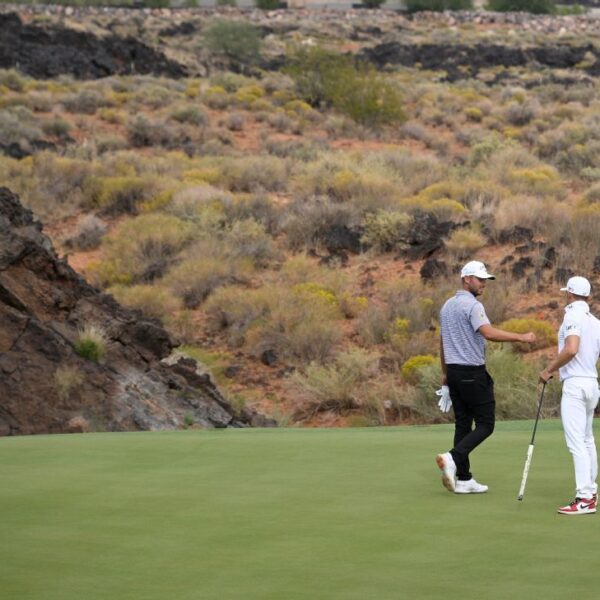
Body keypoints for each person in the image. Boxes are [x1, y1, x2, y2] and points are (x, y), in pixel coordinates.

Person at [436, 260, 536, 494]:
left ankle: (464, 478)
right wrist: (521, 337)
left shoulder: (447, 306)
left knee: (463, 424)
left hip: (454, 372)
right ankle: (452, 457)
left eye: (485, 280)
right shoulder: (472, 306)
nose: (484, 284)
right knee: (486, 424)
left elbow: (442, 342)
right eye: (480, 279)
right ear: (466, 279)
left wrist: (444, 373)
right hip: (472, 372)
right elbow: (488, 333)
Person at [539, 276, 600, 515]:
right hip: (592, 383)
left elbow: (571, 348)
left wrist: (548, 369)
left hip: (575, 385)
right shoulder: (595, 321)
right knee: (587, 439)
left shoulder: (572, 315)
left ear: (570, 294)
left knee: (577, 442)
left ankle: (585, 498)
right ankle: (590, 493)